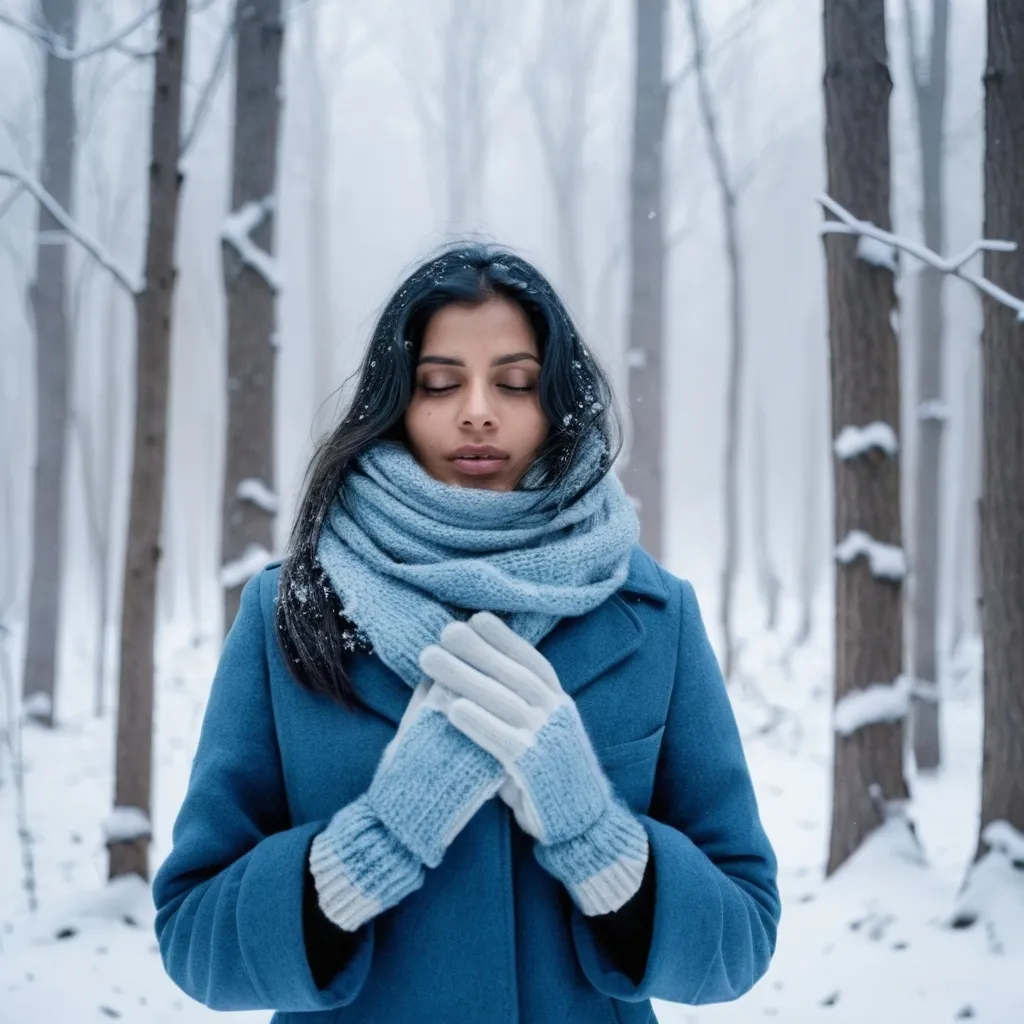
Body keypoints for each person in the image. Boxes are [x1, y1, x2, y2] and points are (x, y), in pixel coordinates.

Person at [152, 244, 780, 1024]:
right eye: (439, 383)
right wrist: (366, 852)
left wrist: (596, 835)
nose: (477, 410)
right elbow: (193, 940)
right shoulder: (288, 611)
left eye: (515, 383)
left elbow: (743, 936)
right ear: (398, 405)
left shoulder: (655, 618)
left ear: (556, 402)